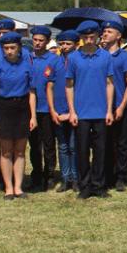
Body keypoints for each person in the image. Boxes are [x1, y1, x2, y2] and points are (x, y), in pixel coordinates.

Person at [66, 20, 114, 199]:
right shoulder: (73, 58)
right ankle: (85, 185)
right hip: (81, 113)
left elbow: (110, 84)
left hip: (101, 112)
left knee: (100, 151)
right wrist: (72, 111)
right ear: (80, 38)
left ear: (97, 36)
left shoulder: (106, 57)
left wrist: (109, 110)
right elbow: (69, 86)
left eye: (92, 37)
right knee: (82, 151)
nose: (89, 40)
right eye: (85, 37)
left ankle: (99, 185)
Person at [0, 31, 37, 200]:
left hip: (22, 107)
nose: (9, 51)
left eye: (13, 47)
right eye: (6, 48)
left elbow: (32, 92)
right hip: (4, 107)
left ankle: (18, 187)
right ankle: (8, 188)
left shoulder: (27, 65)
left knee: (21, 150)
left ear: (19, 48)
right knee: (6, 151)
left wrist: (33, 116)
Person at [101, 20, 127, 192]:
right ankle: (108, 175)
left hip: (120, 105)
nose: (105, 33)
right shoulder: (99, 55)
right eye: (104, 31)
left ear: (118, 35)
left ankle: (122, 176)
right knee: (105, 143)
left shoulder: (125, 57)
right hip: (102, 107)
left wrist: (122, 106)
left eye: (109, 31)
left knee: (121, 143)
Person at [47, 29, 79, 193]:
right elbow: (50, 87)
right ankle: (65, 179)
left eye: (68, 44)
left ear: (76, 44)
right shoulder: (54, 62)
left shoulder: (78, 60)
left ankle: (76, 178)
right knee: (63, 147)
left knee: (74, 146)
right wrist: (52, 110)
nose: (64, 47)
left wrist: (74, 111)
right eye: (62, 44)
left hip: (74, 111)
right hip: (58, 111)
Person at [28, 26, 59, 192]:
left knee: (48, 144)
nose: (38, 43)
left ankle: (50, 174)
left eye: (41, 40)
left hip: (47, 108)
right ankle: (36, 174)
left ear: (47, 42)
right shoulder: (27, 58)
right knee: (34, 145)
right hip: (31, 109)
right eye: (35, 40)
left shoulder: (53, 59)